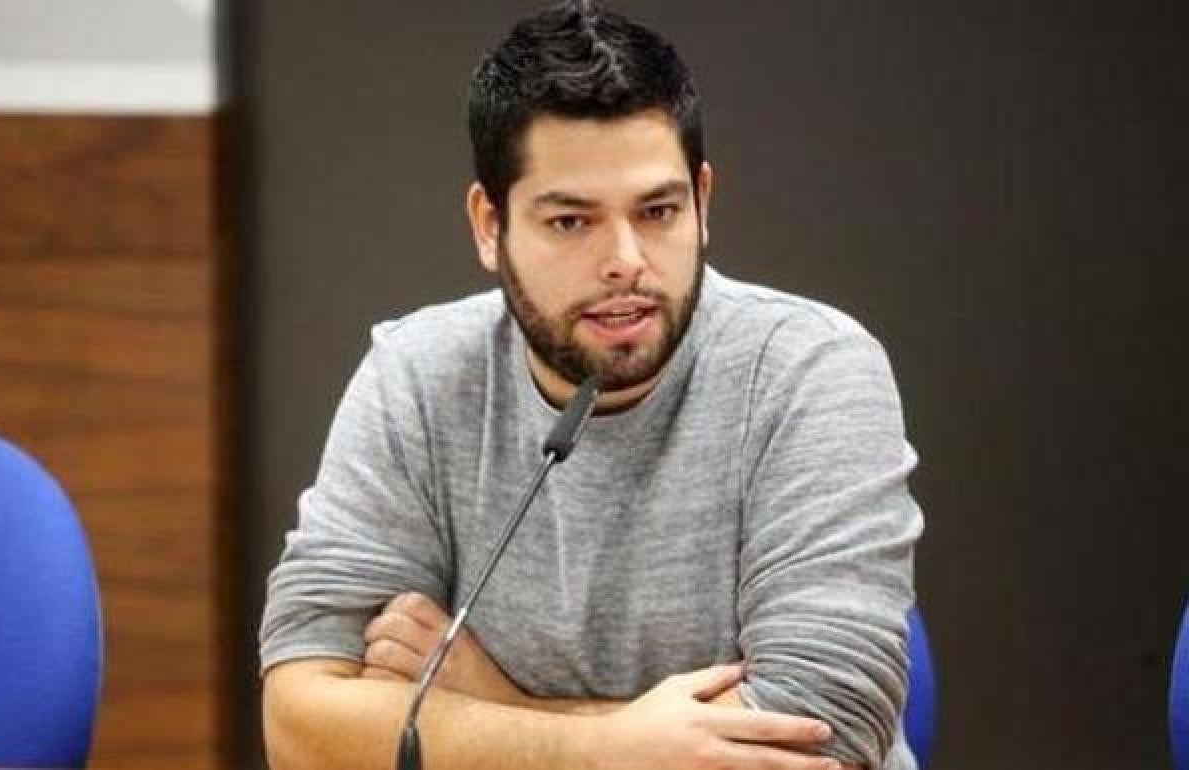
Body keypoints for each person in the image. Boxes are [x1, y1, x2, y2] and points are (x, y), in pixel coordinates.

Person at [259, 2, 924, 769]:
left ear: (702, 204)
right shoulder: (416, 375)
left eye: (658, 211)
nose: (626, 262)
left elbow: (823, 739)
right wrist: (608, 746)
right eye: (571, 222)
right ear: (489, 225)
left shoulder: (810, 370)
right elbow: (300, 730)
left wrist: (501, 706)